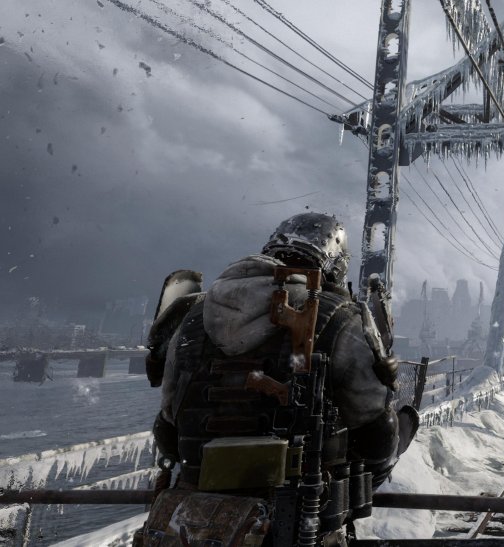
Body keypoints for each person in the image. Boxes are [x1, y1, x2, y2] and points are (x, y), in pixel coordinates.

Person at [136, 212, 415, 546]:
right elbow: (375, 434)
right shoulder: (342, 318)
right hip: (296, 517)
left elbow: (168, 429)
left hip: (193, 516)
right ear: (334, 264)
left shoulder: (192, 316)